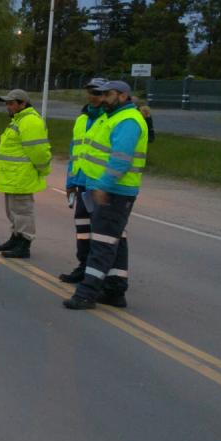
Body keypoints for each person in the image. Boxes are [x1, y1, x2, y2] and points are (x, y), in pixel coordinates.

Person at [64, 80, 148, 310]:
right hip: (100, 188)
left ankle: (86, 293)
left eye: (107, 94)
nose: (102, 99)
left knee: (101, 244)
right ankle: (114, 290)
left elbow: (120, 159)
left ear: (122, 96)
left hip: (114, 192)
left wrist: (103, 185)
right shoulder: (109, 117)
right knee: (115, 240)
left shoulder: (128, 120)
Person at [0, 88, 52, 259]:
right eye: (7, 103)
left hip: (21, 176)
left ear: (23, 104)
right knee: (13, 211)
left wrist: (43, 169)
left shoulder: (30, 122)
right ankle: (15, 237)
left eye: (11, 103)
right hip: (13, 176)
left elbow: (38, 151)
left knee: (23, 211)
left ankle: (24, 244)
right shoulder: (19, 120)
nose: (8, 107)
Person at [59, 78, 108, 283]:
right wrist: (70, 181)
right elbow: (75, 152)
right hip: (81, 184)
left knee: (102, 232)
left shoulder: (109, 119)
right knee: (82, 229)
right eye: (90, 92)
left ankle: (100, 273)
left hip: (99, 185)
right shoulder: (82, 119)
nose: (92, 96)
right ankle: (83, 265)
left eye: (97, 92)